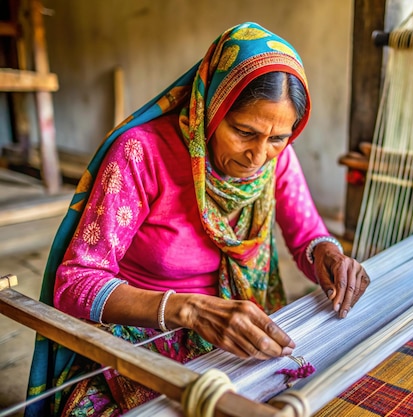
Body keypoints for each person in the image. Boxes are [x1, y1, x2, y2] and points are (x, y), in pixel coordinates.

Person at [25, 21, 370, 416]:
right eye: (244, 131)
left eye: (278, 138)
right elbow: (76, 282)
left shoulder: (277, 162)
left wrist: (327, 253)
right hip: (144, 341)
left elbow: (307, 235)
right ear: (210, 106)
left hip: (242, 340)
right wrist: (189, 310)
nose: (257, 156)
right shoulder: (142, 153)